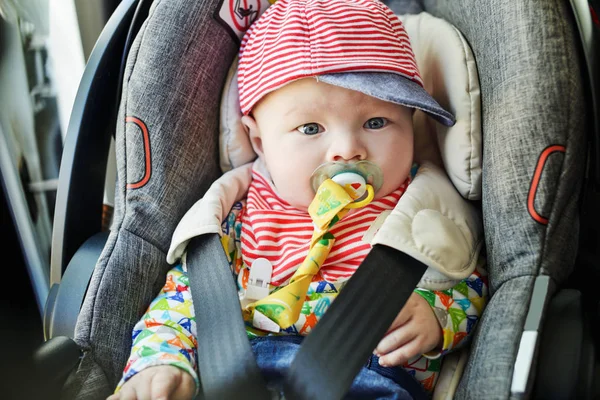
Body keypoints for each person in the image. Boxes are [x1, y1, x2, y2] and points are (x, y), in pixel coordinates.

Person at [108, 0, 488, 399]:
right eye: (310, 128)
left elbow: (471, 281)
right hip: (241, 374)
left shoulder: (422, 207)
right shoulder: (235, 216)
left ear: (411, 121)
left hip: (371, 378)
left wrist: (436, 313)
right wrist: (162, 361)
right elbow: (182, 302)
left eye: (376, 122)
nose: (347, 149)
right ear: (259, 142)